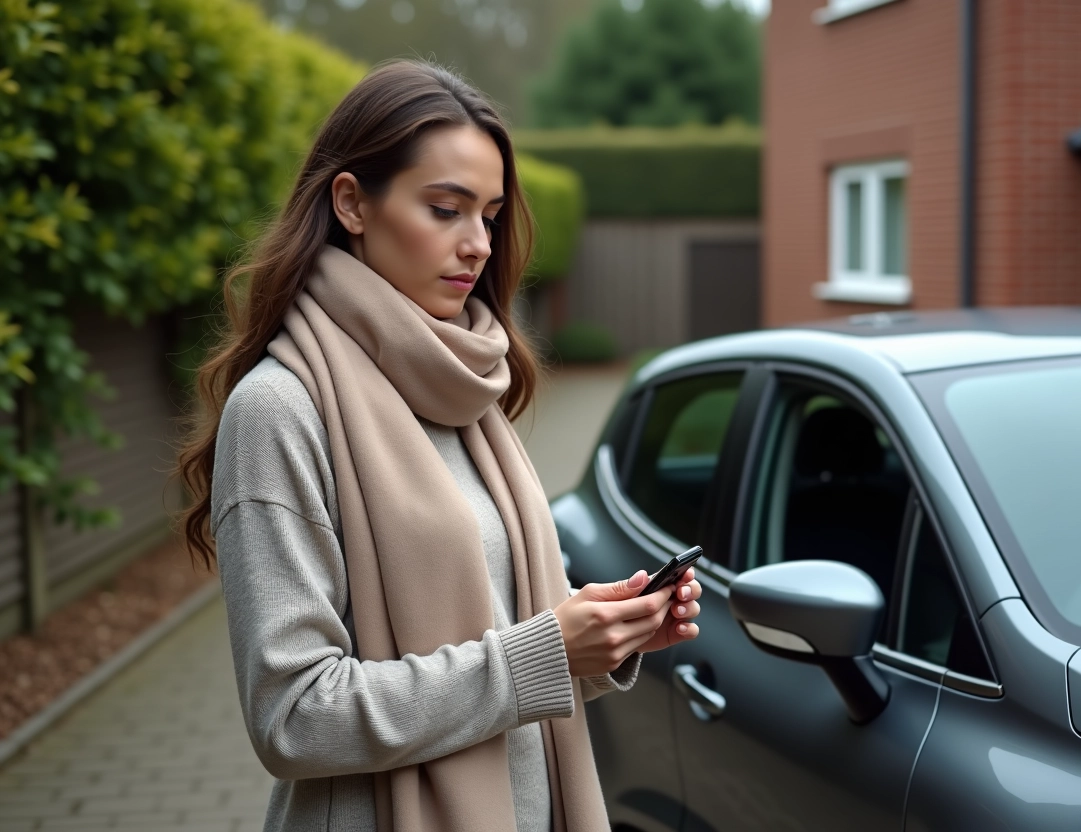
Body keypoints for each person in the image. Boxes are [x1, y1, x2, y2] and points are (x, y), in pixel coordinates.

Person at [174, 60, 702, 832]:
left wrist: (604, 639)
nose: (479, 244)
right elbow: (293, 717)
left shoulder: (464, 388)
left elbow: (512, 648)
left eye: (489, 215)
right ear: (352, 203)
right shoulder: (279, 410)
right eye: (446, 209)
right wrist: (544, 653)